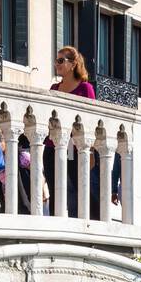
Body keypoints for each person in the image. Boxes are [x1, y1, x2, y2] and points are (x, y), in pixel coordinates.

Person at [43, 47, 96, 219]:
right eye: (56, 60)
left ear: (73, 64)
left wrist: (91, 151)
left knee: (75, 188)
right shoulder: (54, 88)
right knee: (54, 187)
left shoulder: (85, 89)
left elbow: (91, 122)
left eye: (60, 61)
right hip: (52, 147)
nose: (56, 64)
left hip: (74, 148)